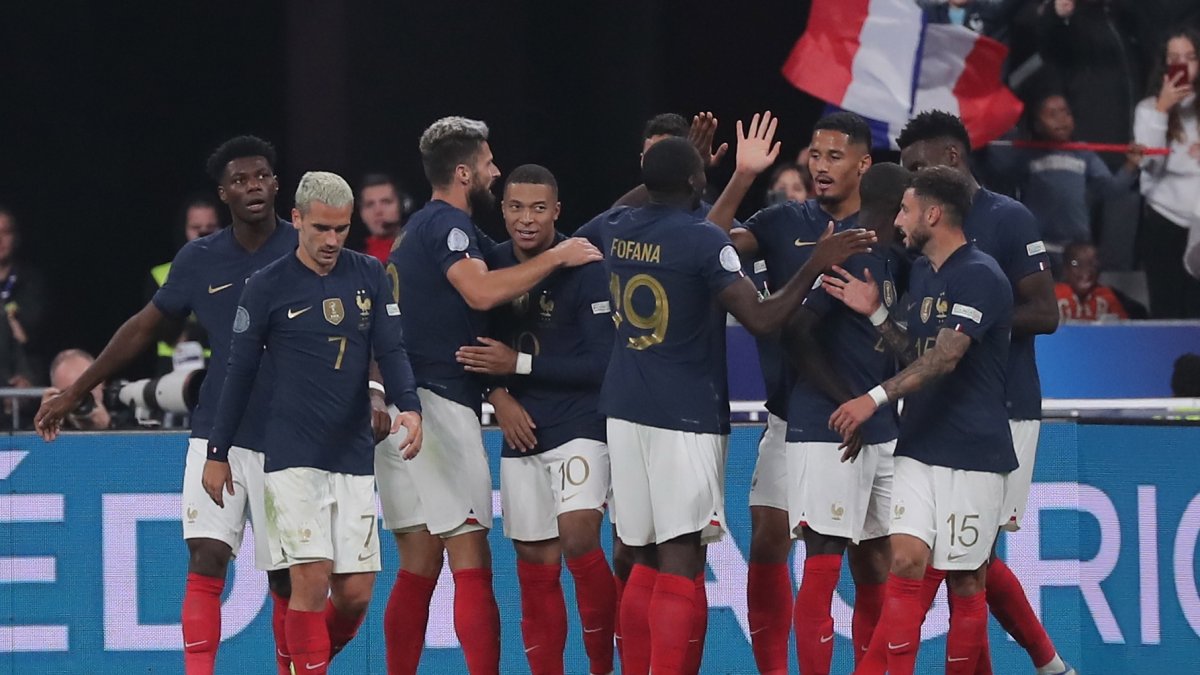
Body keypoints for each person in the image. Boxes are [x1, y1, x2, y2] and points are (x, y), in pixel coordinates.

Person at [576, 135, 874, 675]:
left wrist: (677, 164)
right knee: (680, 557)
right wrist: (816, 265)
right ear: (696, 182)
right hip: (683, 415)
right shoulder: (701, 241)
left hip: (622, 409)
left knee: (639, 553)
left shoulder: (615, 227)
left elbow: (632, 203)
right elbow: (761, 318)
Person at [33, 135, 300, 675]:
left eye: (261, 176)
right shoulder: (200, 259)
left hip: (288, 434)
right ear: (222, 193)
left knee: (287, 577)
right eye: (240, 179)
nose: (252, 186)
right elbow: (142, 328)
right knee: (206, 555)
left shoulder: (303, 249)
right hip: (217, 431)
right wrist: (77, 388)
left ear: (276, 183)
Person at [376, 116, 601, 675]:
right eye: (488, 163)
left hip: (399, 409)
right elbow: (479, 292)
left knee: (418, 565)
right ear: (463, 172)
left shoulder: (416, 232)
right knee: (470, 561)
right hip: (438, 408)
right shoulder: (448, 228)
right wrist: (558, 256)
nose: (495, 171)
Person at [204, 171, 422, 675]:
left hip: (351, 453)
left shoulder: (368, 272)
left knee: (355, 595)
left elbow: (390, 347)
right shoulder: (266, 286)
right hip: (291, 455)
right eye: (321, 228)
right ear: (297, 219)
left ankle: (301, 662)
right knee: (311, 579)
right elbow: (238, 374)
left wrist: (406, 404)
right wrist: (218, 453)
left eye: (341, 229)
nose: (331, 241)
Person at [894, 111, 1074, 675]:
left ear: (951, 159)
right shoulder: (922, 238)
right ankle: (1049, 666)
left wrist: (975, 326)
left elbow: (1046, 312)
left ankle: (1048, 663)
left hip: (1005, 406)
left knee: (968, 559)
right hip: (937, 409)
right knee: (966, 559)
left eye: (918, 168)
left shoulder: (1010, 218)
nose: (911, 184)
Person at [824, 166, 1016, 675]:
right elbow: (916, 352)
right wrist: (878, 316)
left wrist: (872, 399)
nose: (899, 220)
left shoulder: (981, 274)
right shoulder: (924, 274)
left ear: (933, 213)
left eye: (906, 210)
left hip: (974, 452)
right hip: (919, 445)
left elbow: (946, 358)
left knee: (965, 579)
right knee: (905, 562)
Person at [704, 110, 874, 674]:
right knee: (769, 537)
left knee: (871, 560)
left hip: (872, 419)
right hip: (789, 418)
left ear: (863, 164)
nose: (822, 167)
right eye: (816, 156)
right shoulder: (781, 222)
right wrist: (742, 176)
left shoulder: (887, 228)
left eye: (835, 157)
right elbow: (706, 245)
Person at [454, 164, 616, 675]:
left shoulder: (585, 266)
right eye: (517, 208)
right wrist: (498, 394)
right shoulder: (491, 267)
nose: (527, 219)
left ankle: (601, 666)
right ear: (502, 210)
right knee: (535, 566)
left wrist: (519, 366)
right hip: (520, 433)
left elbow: (604, 363)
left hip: (579, 426)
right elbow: (469, 348)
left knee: (578, 537)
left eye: (539, 208)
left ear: (558, 212)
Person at [779, 162, 911, 674]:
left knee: (880, 562)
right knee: (824, 559)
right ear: (899, 205)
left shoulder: (891, 261)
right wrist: (845, 404)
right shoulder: (850, 255)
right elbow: (796, 333)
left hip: (878, 428)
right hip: (829, 429)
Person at [982, 92, 1142, 264]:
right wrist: (995, 133)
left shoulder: (1083, 154)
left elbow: (1111, 189)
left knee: (1074, 288)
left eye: (1065, 112)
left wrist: (1131, 165)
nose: (1061, 119)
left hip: (1076, 247)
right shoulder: (1027, 154)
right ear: (1037, 125)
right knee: (1040, 285)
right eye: (1052, 114)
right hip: (1039, 244)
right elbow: (999, 170)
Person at [1134, 28, 1200, 318]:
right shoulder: (1148, 109)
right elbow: (1151, 163)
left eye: (1190, 57)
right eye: (1174, 58)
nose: (1183, 66)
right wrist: (1162, 108)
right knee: (1167, 309)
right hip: (1165, 221)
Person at [148, 195, 222, 375]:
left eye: (210, 228)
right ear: (183, 230)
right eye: (196, 228)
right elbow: (160, 332)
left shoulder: (236, 274)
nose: (203, 234)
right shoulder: (159, 276)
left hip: (220, 367)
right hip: (173, 371)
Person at [0, 206, 49, 401]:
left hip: (28, 381)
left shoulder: (32, 282)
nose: (0, 239)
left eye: (6, 232)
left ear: (16, 238)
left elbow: (32, 335)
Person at [1055, 241, 1146, 320]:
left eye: (1093, 265)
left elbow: (1123, 328)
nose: (1086, 271)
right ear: (1065, 269)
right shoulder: (1052, 295)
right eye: (1077, 264)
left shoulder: (1107, 296)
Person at [42, 349, 112, 430]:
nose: (80, 400)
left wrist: (108, 427)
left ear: (102, 384)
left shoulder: (124, 416)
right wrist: (48, 426)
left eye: (88, 389)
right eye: (69, 392)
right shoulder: (34, 433)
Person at [356, 173, 413, 263]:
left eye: (386, 202)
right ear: (361, 213)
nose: (378, 211)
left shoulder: (419, 252)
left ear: (403, 206)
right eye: (369, 205)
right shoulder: (354, 264)